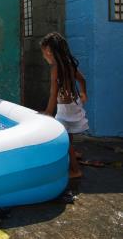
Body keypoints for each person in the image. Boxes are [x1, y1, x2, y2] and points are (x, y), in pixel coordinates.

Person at [40, 32, 88, 178]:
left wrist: (48, 112)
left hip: (64, 109)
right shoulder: (68, 64)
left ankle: (75, 170)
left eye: (44, 53)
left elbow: (53, 93)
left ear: (49, 51)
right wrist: (84, 93)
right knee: (69, 134)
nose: (44, 56)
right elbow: (82, 79)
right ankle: (73, 154)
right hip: (74, 105)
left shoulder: (55, 69)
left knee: (64, 140)